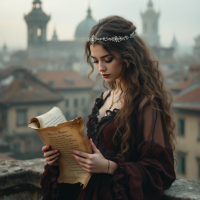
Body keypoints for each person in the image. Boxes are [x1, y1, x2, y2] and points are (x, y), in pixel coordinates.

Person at [40, 16, 176, 200]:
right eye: (95, 61)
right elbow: (92, 151)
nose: (100, 68)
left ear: (128, 55)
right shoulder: (104, 98)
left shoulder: (147, 103)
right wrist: (59, 156)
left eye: (107, 59)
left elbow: (160, 171)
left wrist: (108, 167)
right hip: (87, 191)